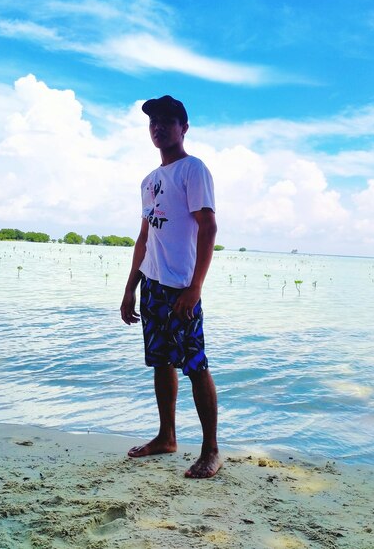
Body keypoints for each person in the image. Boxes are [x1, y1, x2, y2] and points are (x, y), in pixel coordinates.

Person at [120, 95, 222, 479]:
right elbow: (144, 236)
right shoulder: (149, 181)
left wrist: (195, 287)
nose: (158, 127)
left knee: (196, 366)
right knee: (161, 362)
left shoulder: (193, 170)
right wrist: (130, 287)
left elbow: (208, 227)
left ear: (184, 127)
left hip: (182, 287)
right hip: (153, 286)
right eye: (153, 122)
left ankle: (210, 450)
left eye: (167, 121)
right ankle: (167, 437)